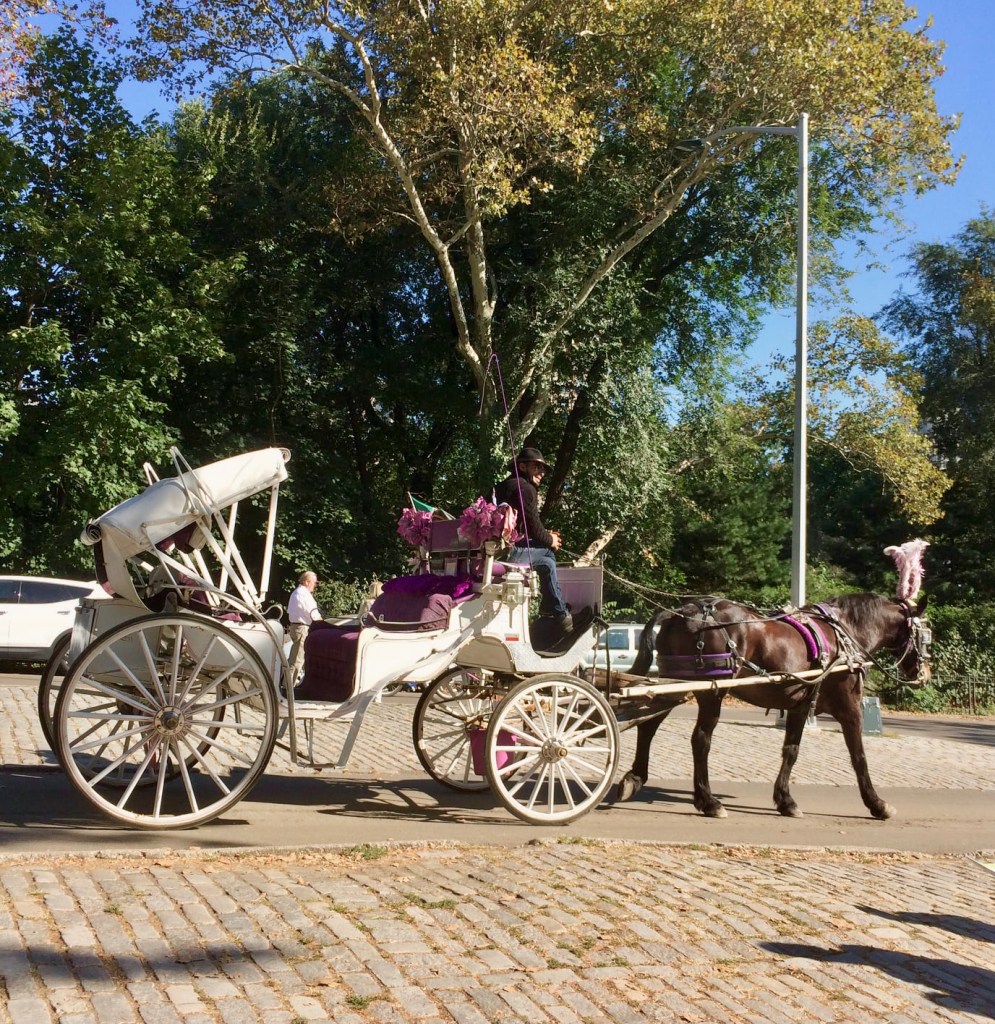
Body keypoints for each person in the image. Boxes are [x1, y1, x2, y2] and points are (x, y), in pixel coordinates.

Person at [493, 447, 572, 632]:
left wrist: (546, 535)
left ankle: (554, 609)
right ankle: (558, 612)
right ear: (522, 466)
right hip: (508, 552)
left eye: (543, 469)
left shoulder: (500, 487)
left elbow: (526, 527)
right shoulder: (526, 489)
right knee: (548, 554)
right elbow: (534, 528)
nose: (542, 472)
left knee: (546, 560)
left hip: (497, 549)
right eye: (537, 467)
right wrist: (550, 539)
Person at [287, 571, 322, 685]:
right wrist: (323, 624)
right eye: (314, 582)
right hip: (302, 628)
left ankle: (288, 685)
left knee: (296, 659)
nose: (315, 585)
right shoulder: (303, 594)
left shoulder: (297, 592)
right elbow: (313, 613)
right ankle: (288, 688)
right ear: (307, 582)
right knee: (297, 660)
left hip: (297, 627)